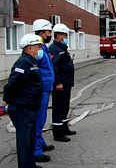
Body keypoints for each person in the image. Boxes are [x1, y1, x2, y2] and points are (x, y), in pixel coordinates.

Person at [2, 34, 44, 168]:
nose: (40, 50)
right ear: (30, 48)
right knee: (25, 141)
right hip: (22, 108)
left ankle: (30, 164)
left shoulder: (31, 61)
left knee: (30, 139)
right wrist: (6, 99)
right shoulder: (23, 62)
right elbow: (13, 83)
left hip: (30, 107)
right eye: (38, 47)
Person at [32, 19, 55, 163]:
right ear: (42, 33)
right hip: (40, 89)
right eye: (49, 32)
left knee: (42, 118)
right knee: (37, 120)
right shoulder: (37, 49)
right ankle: (36, 151)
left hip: (46, 88)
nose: (50, 34)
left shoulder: (44, 48)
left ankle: (40, 143)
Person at [49, 24, 76, 142]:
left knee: (65, 107)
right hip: (60, 84)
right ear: (59, 36)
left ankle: (64, 128)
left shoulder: (62, 48)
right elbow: (53, 67)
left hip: (67, 83)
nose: (66, 37)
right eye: (65, 35)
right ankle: (58, 133)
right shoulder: (54, 49)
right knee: (58, 107)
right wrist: (58, 82)